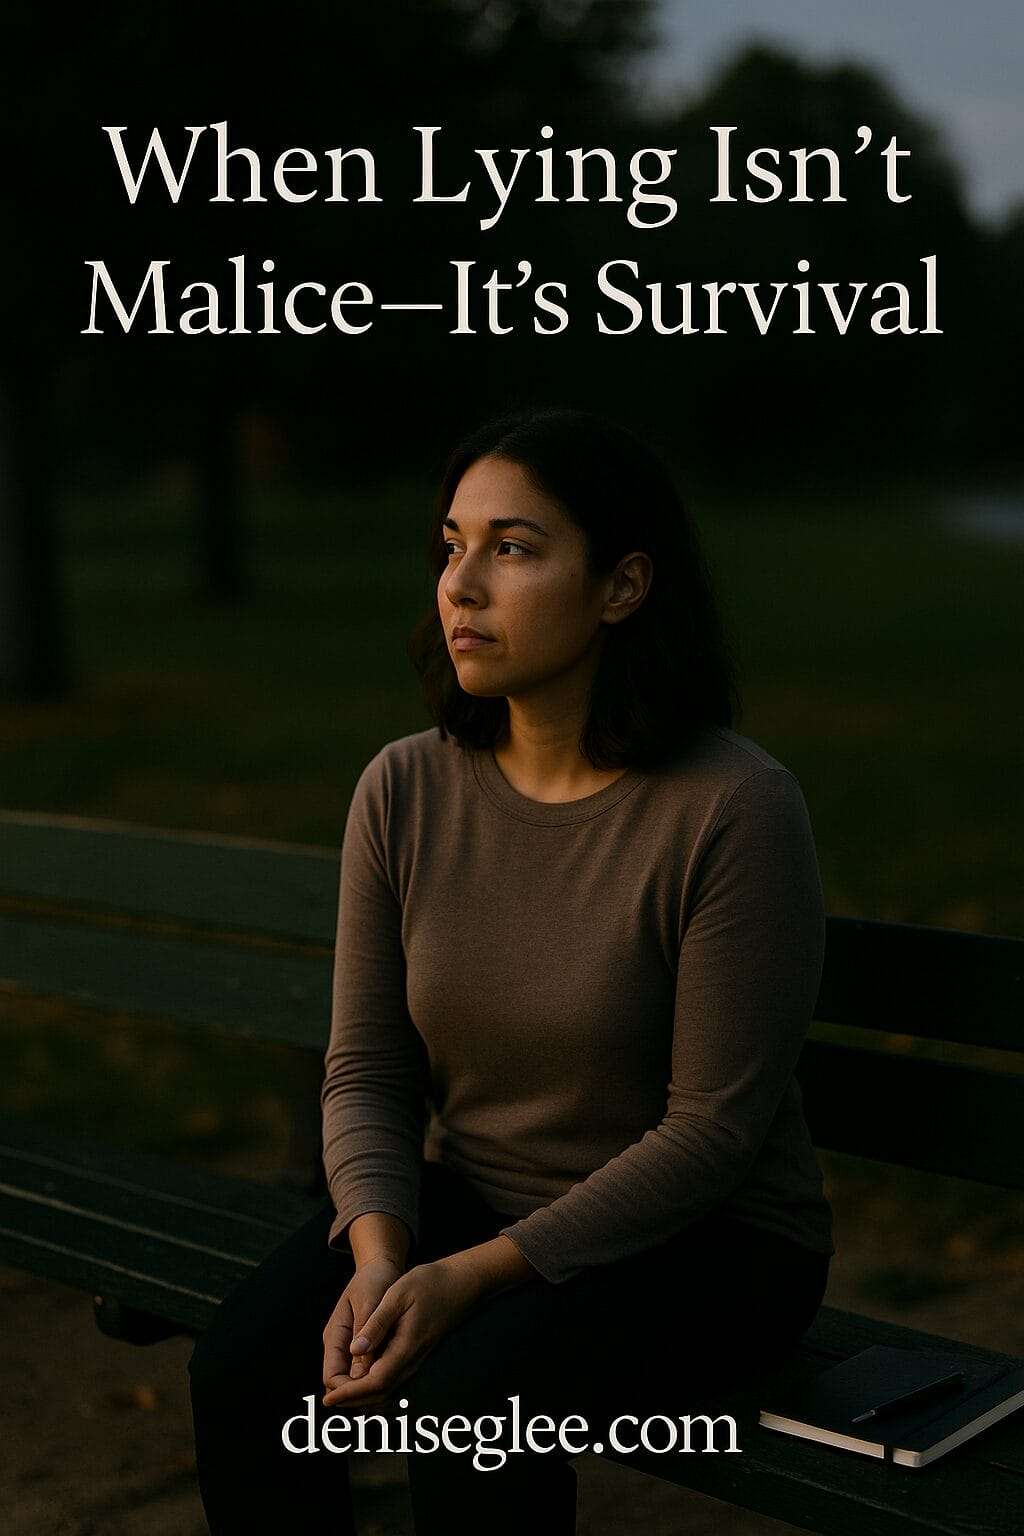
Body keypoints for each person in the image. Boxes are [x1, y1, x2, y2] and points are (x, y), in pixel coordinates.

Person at [188, 407, 835, 1536]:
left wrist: (477, 1274)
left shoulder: (732, 809)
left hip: (707, 1246)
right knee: (244, 1366)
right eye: (452, 545)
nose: (462, 585)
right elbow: (368, 1067)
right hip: (475, 1197)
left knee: (471, 1404)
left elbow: (711, 1135)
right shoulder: (404, 789)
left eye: (514, 548)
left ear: (622, 586)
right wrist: (380, 1250)